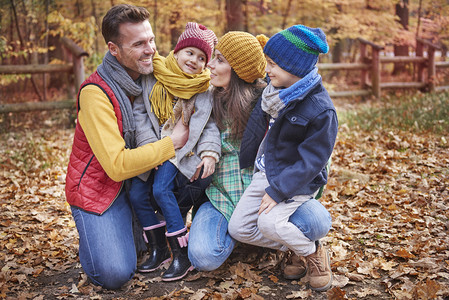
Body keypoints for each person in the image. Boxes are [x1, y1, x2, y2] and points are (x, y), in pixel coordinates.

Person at [64, 4, 189, 290]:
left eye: (151, 40)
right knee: (114, 273)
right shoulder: (96, 94)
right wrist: (171, 144)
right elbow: (117, 166)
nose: (151, 50)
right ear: (114, 49)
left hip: (141, 183)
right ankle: (96, 235)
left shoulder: (153, 77)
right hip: (101, 189)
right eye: (139, 44)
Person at [227, 25, 338, 292]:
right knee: (239, 228)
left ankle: (311, 252)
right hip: (265, 173)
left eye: (274, 64)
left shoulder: (321, 111)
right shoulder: (273, 95)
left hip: (296, 181)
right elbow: (258, 131)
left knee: (267, 222)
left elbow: (311, 162)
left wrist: (278, 190)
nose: (268, 69)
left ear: (296, 68)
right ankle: (294, 245)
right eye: (268, 62)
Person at [130, 22, 220, 281]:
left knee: (161, 190)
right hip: (152, 148)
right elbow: (140, 116)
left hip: (180, 152)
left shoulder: (203, 90)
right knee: (137, 193)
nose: (194, 60)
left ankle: (180, 255)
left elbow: (209, 126)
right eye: (190, 52)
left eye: (202, 57)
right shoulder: (154, 77)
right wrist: (150, 148)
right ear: (177, 51)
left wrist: (210, 153)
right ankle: (158, 249)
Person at [187, 31, 268, 271]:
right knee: (203, 257)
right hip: (219, 197)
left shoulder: (265, 104)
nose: (209, 64)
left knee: (310, 222)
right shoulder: (207, 100)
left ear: (240, 70)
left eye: (220, 60)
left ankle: (263, 238)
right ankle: (241, 237)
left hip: (258, 198)